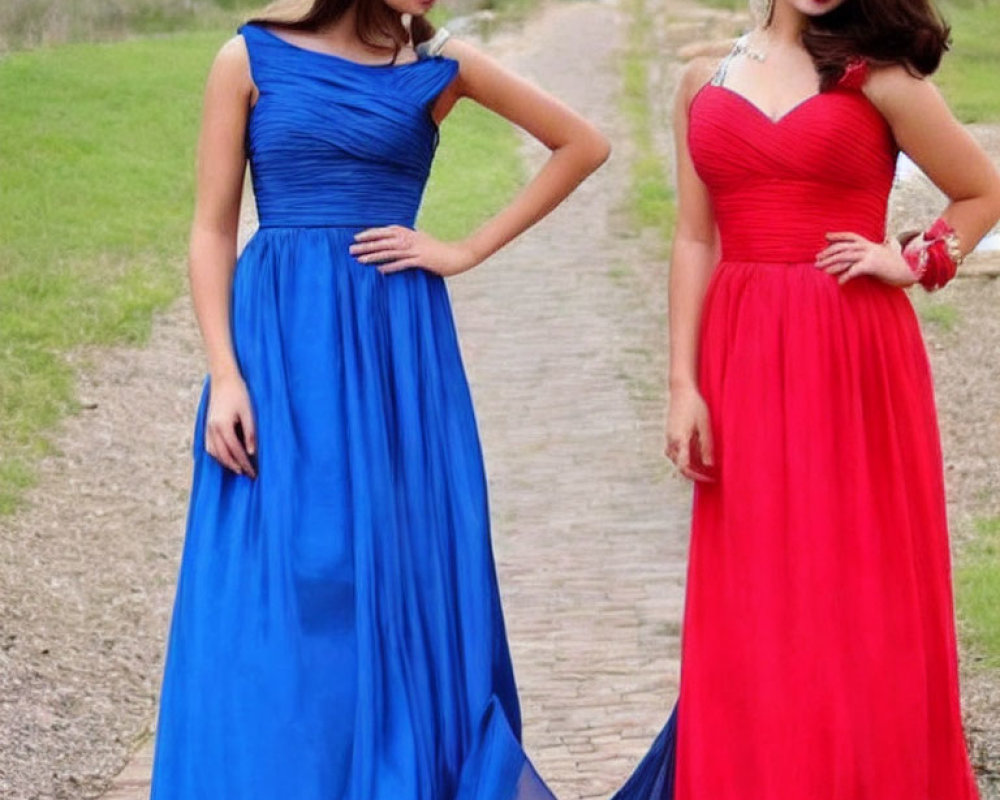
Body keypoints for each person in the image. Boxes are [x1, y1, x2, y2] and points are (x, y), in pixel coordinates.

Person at [147, 0, 609, 796]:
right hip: (281, 348)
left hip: (398, 350)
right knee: (292, 575)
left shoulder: (440, 67)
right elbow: (212, 228)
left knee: (398, 566)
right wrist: (225, 372)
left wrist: (463, 248)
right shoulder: (248, 58)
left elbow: (584, 143)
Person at [614, 0, 1000, 797]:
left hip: (854, 353)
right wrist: (682, 384)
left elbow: (981, 191)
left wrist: (917, 259)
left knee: (857, 583)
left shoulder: (880, 79)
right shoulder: (702, 78)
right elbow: (695, 237)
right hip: (741, 353)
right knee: (757, 589)